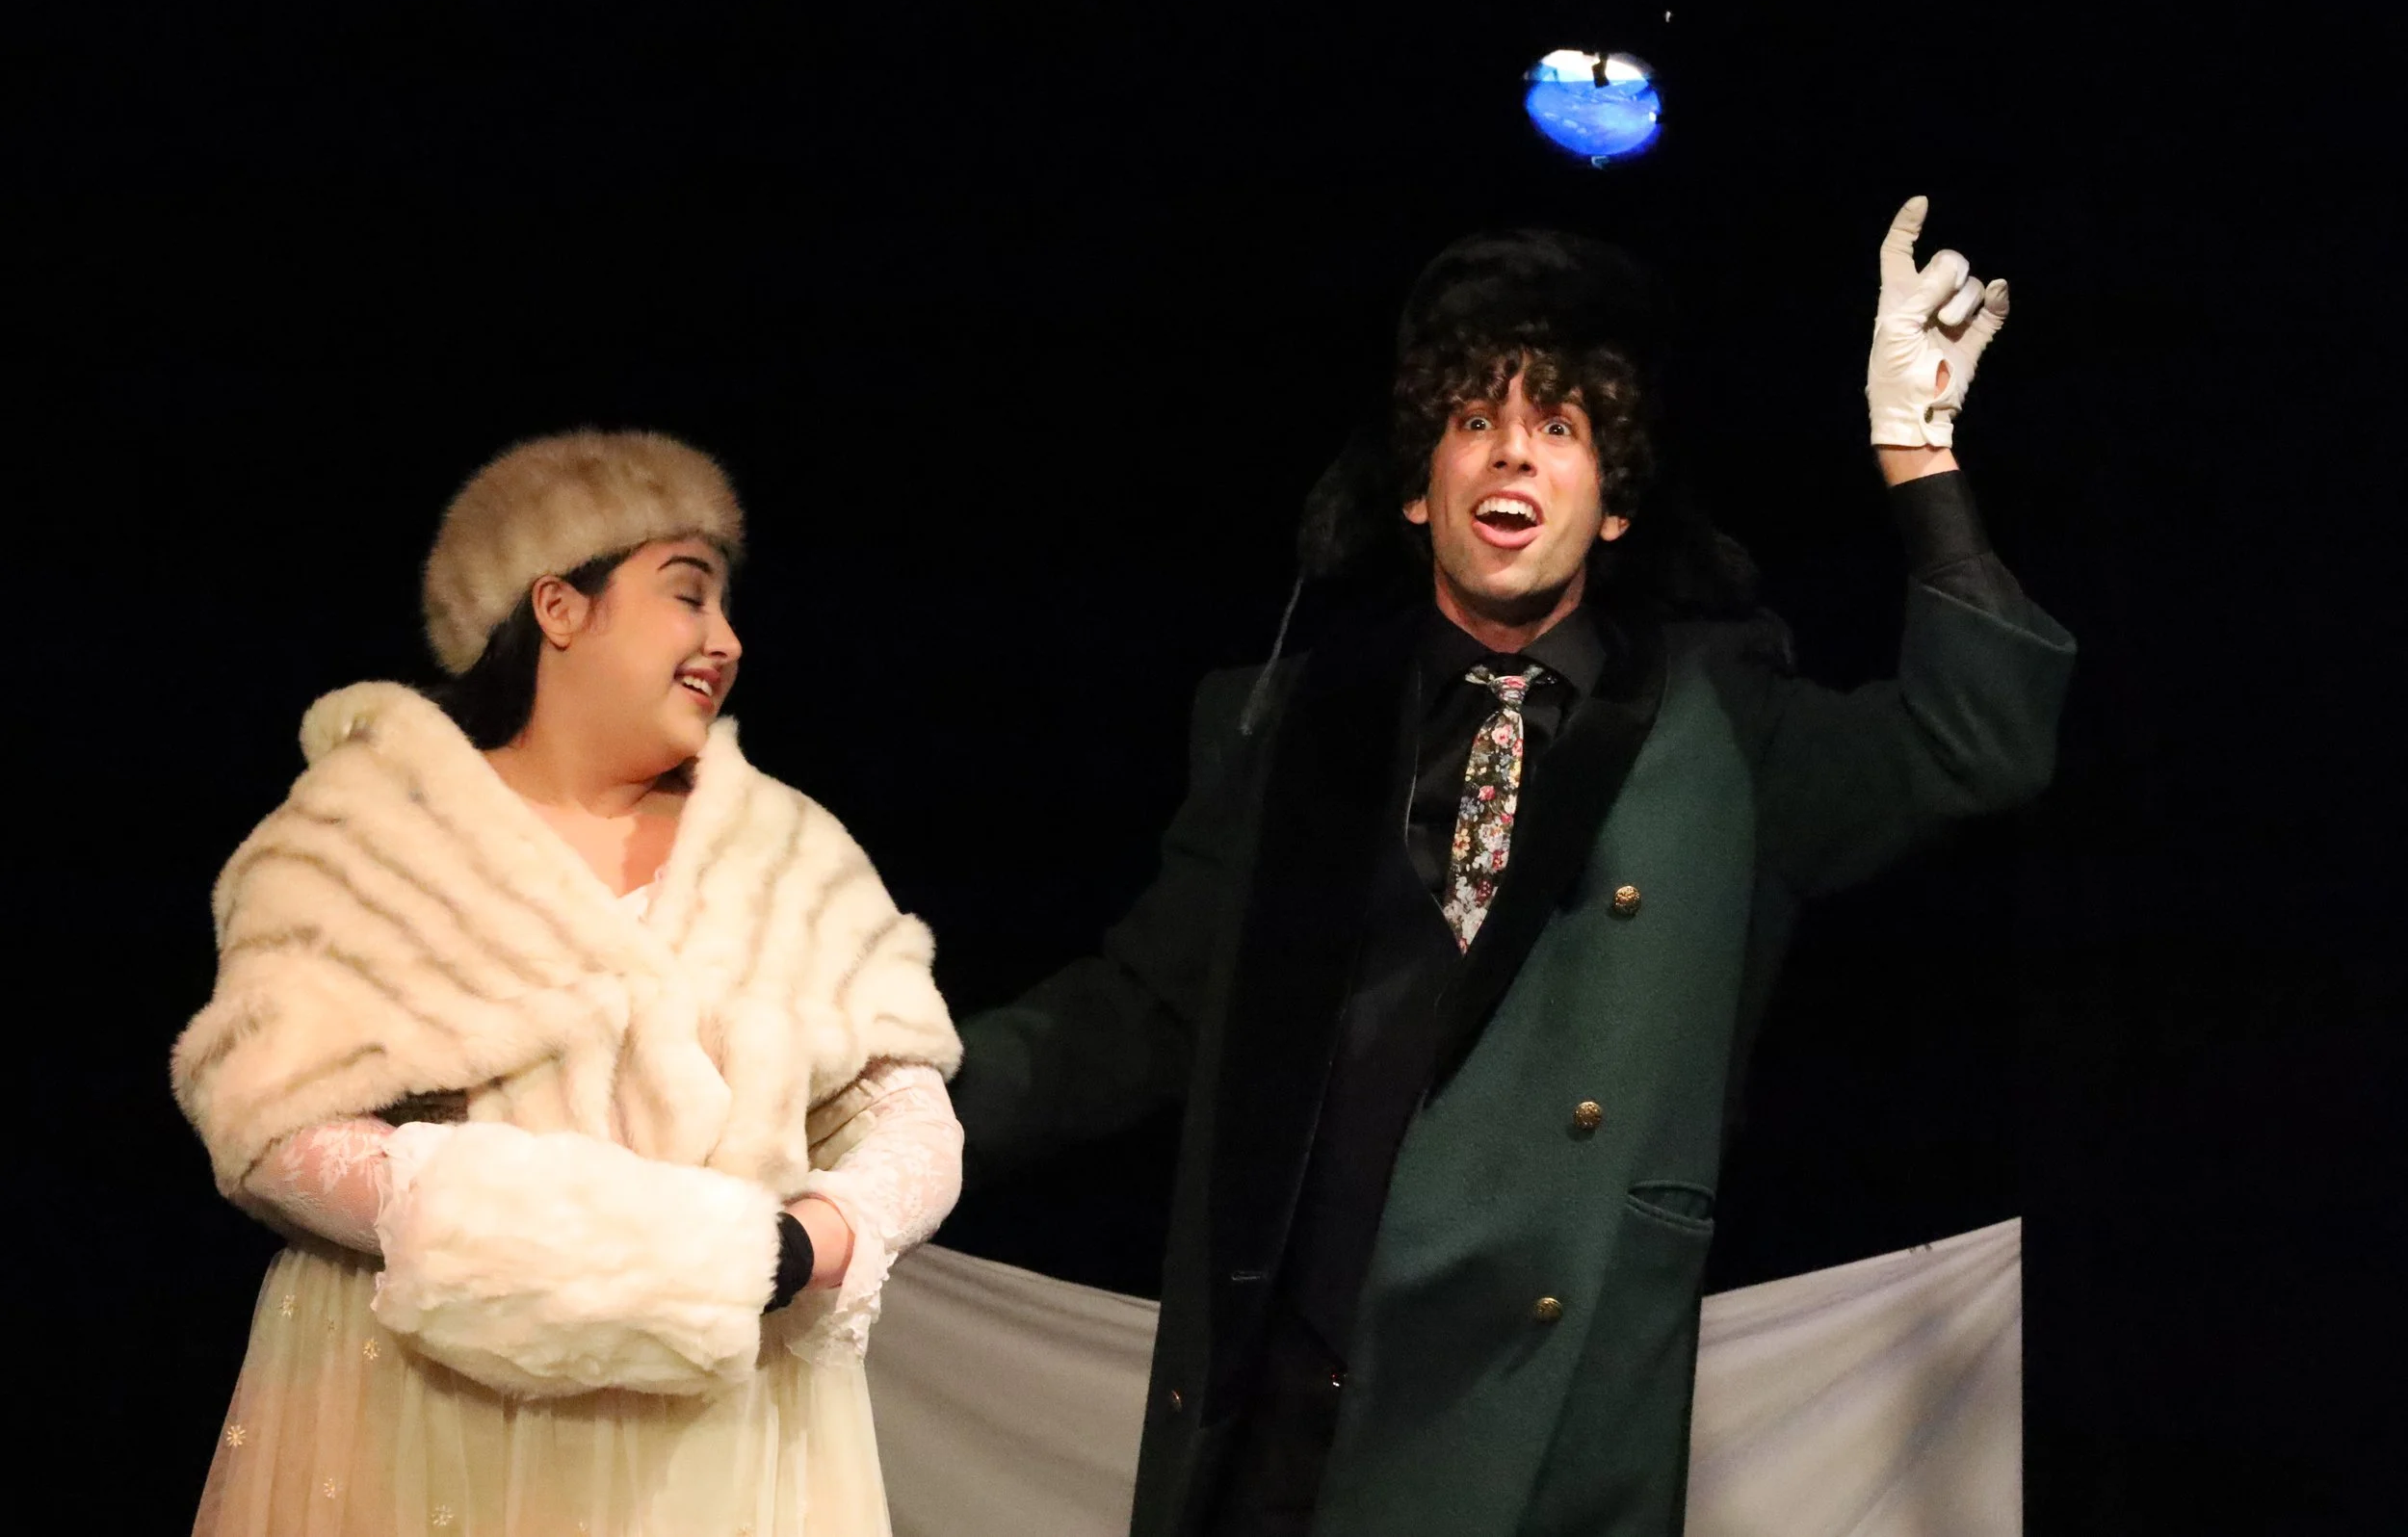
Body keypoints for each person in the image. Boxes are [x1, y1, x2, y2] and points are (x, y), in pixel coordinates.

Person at [946, 198, 2076, 1536]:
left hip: (1547, 1421)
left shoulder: (1723, 723)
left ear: (1613, 504)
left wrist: (1917, 455)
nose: (1513, 450)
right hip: (1289, 1415)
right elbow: (1136, 1010)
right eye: (1475, 417)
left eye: (1560, 426)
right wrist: (885, 1101)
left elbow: (1977, 742)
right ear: (1418, 486)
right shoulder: (1286, 722)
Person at [173, 430, 964, 1536]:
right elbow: (269, 1120)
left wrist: (798, 1244)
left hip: (710, 1421)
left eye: (727, 606)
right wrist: (545, 1232)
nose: (726, 639)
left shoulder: (785, 848)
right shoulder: (370, 831)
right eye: (687, 594)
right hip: (425, 1401)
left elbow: (908, 1116)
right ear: (558, 605)